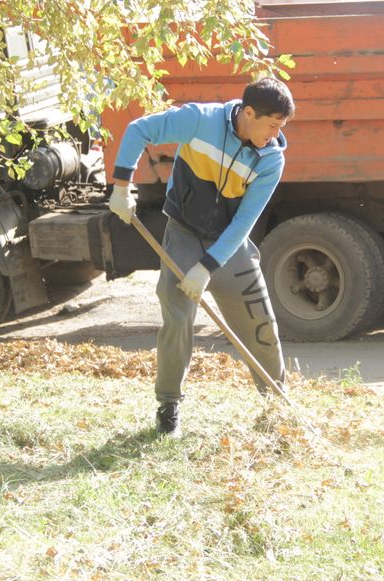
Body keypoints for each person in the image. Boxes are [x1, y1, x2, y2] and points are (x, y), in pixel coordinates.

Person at [108, 77, 296, 437]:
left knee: (261, 322)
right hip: (182, 233)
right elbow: (138, 130)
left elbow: (245, 220)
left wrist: (207, 267)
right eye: (272, 125)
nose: (275, 135)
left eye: (281, 127)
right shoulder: (200, 120)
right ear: (249, 112)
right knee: (177, 319)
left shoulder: (271, 160)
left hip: (229, 243)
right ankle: (168, 407)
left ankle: (275, 404)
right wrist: (121, 187)